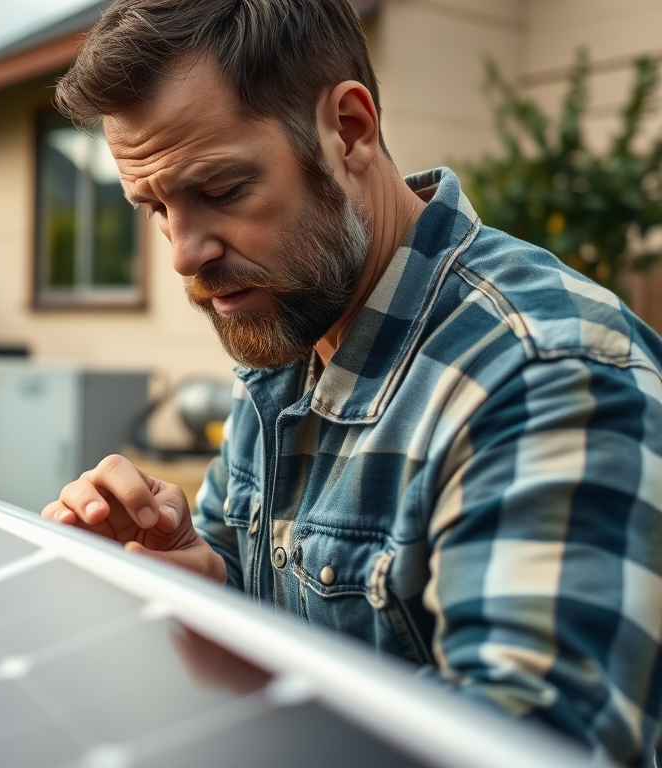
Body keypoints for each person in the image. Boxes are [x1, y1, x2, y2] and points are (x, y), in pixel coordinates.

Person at [40, 1, 662, 764]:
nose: (184, 253)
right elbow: (270, 618)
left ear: (351, 130)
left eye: (223, 190)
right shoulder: (296, 328)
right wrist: (197, 579)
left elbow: (529, 745)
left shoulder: (547, 382)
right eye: (157, 208)